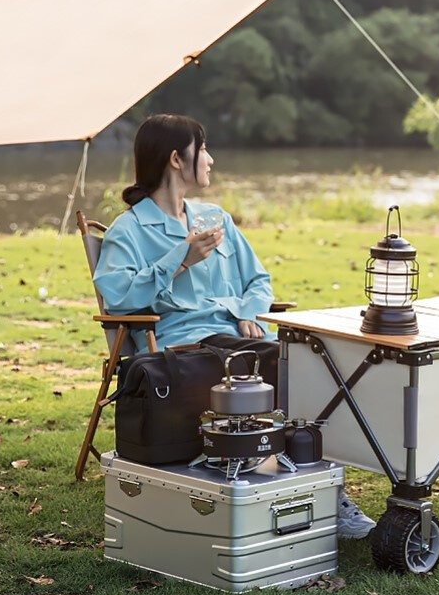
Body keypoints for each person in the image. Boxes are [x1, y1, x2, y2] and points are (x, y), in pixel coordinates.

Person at [94, 114, 375, 539]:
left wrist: (249, 309)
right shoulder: (129, 230)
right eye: (202, 148)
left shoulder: (213, 217)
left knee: (309, 358)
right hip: (182, 346)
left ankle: (320, 489)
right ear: (176, 159)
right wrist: (180, 259)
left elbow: (258, 280)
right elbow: (117, 298)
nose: (210, 158)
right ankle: (318, 494)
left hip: (239, 336)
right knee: (278, 365)